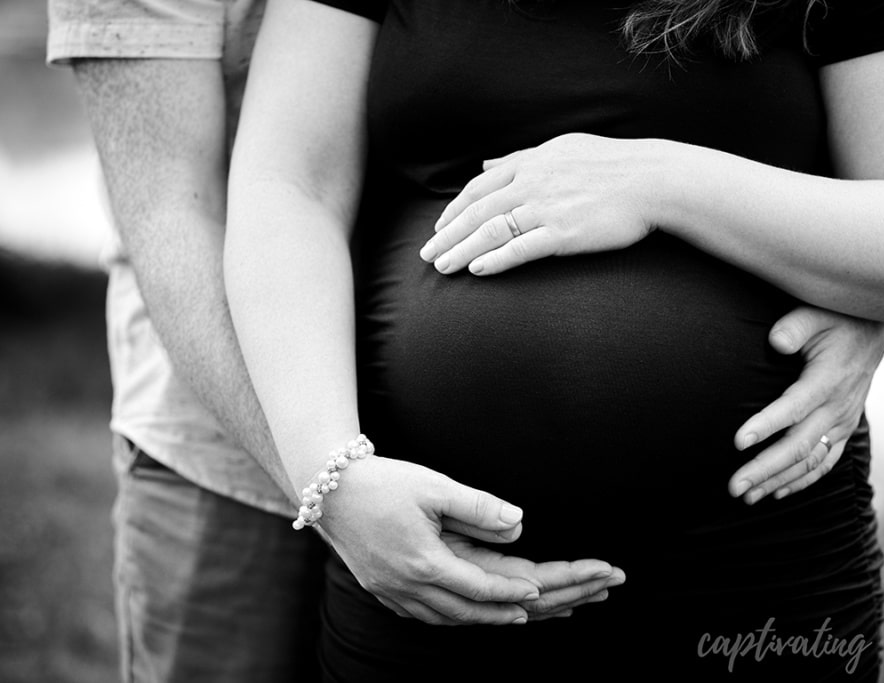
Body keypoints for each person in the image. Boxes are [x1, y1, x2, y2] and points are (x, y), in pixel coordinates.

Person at [223, 0, 884, 680]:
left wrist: (659, 182)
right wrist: (330, 474)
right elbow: (289, 187)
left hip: (755, 575)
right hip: (422, 574)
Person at [43, 0, 744, 679]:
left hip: (442, 445)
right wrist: (328, 481)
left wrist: (850, 301)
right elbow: (170, 210)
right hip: (234, 449)